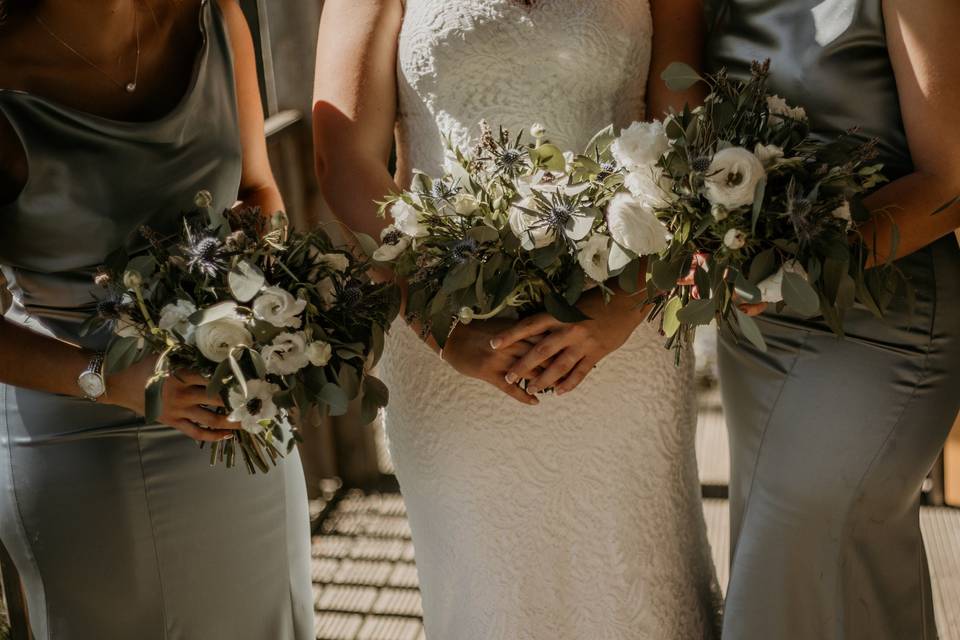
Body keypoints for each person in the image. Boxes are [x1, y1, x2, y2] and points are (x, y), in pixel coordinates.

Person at [313, 1, 722, 637]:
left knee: (632, 577)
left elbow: (690, 146)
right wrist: (440, 324)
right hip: (447, 337)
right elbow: (343, 159)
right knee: (485, 588)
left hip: (625, 330)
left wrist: (624, 307)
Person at [0, 1, 314, 637]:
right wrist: (110, 379)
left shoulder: (217, 20)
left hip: (238, 420)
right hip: (83, 442)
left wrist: (260, 311)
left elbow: (256, 189)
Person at [706, 1, 960, 638]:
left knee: (796, 561)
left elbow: (951, 177)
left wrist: (797, 270)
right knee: (818, 578)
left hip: (877, 310)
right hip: (756, 323)